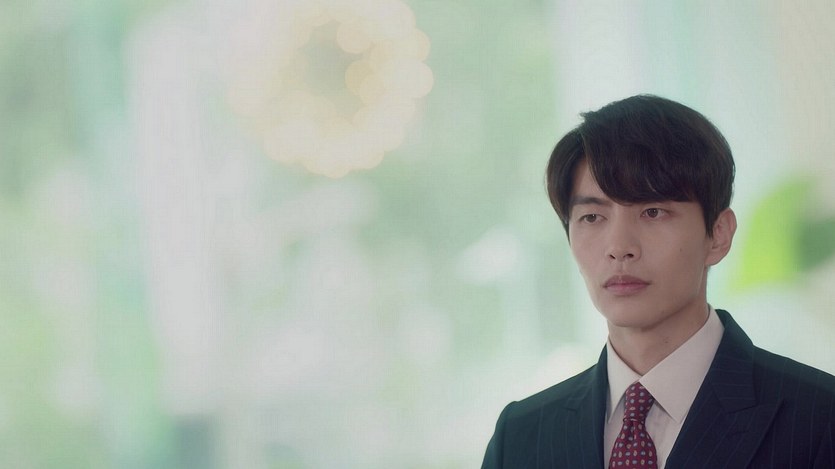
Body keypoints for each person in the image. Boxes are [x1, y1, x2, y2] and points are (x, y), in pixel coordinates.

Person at [481, 95, 835, 468]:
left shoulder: (819, 419)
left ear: (718, 234)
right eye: (592, 217)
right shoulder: (520, 438)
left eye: (653, 212)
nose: (619, 248)